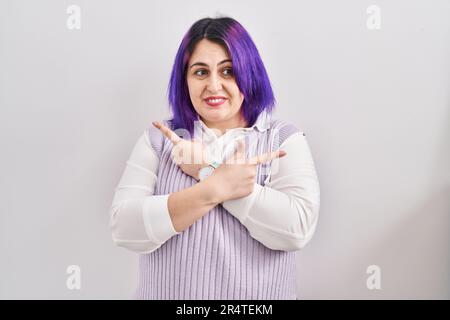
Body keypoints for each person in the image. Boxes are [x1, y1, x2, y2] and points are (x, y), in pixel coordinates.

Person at [109, 16, 320, 300]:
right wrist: (215, 186)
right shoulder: (159, 139)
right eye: (200, 72)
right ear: (185, 80)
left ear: (249, 74)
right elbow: (124, 227)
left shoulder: (283, 139)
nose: (214, 85)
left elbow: (296, 230)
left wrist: (207, 169)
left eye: (228, 71)